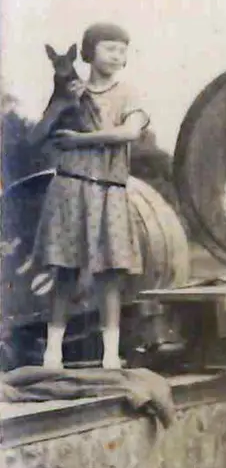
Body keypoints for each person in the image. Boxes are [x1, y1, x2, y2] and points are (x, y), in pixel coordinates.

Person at [30, 24, 150, 370]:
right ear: (88, 53)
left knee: (109, 273)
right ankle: (52, 353)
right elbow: (36, 137)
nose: (117, 55)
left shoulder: (128, 93)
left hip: (108, 189)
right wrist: (62, 104)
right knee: (64, 270)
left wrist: (80, 140)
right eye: (109, 48)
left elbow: (129, 132)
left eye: (122, 50)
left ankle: (109, 355)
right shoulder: (71, 92)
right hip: (69, 186)